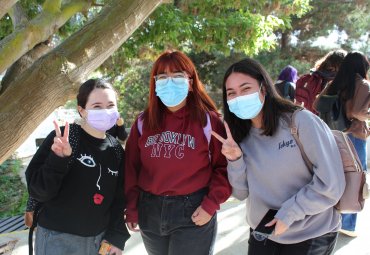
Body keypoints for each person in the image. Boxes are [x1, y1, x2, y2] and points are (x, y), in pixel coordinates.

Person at [211, 58, 345, 255]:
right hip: (264, 233)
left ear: (263, 89)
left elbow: (331, 184)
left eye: (246, 88)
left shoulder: (300, 121)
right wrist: (234, 159)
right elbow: (240, 193)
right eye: (231, 93)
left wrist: (289, 214)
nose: (238, 97)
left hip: (310, 233)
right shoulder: (240, 136)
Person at [124, 50, 232, 255]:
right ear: (155, 84)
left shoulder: (209, 121)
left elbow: (224, 167)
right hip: (150, 211)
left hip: (193, 211)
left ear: (190, 82)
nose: (169, 82)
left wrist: (211, 204)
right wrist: (132, 207)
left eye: (177, 76)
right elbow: (131, 169)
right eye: (162, 77)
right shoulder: (142, 122)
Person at [25, 79, 130, 255]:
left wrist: (116, 237)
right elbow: (39, 191)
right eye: (97, 106)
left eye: (111, 105)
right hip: (58, 241)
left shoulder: (116, 150)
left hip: (100, 242)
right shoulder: (65, 138)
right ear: (81, 110)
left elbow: (119, 199)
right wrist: (59, 158)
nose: (105, 110)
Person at [314, 51, 370, 237]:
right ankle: (347, 224)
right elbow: (359, 111)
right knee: (355, 179)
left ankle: (330, 219)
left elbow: (317, 104)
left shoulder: (334, 83)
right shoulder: (362, 84)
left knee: (333, 176)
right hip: (354, 136)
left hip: (333, 135)